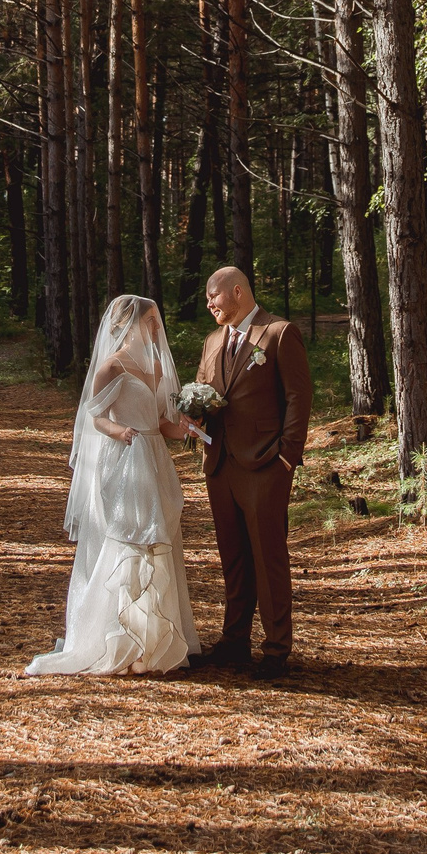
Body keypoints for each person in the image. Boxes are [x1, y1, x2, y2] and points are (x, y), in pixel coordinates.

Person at [27, 295, 201, 676]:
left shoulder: (154, 365)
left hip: (154, 457)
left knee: (159, 540)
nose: (158, 328)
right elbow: (94, 419)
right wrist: (119, 430)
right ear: (132, 324)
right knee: (129, 541)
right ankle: (117, 636)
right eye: (152, 321)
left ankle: (154, 640)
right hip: (126, 459)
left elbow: (161, 421)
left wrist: (184, 427)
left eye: (157, 320)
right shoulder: (111, 367)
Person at [189, 265, 310, 680]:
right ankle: (234, 641)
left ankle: (276, 649)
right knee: (234, 559)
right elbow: (203, 387)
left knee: (268, 556)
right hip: (220, 463)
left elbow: (298, 397)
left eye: (214, 297)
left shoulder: (278, 333)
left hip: (265, 465)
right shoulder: (212, 341)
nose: (209, 304)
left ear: (237, 292)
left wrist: (287, 458)